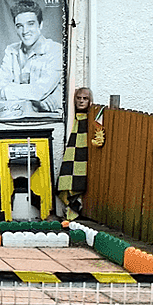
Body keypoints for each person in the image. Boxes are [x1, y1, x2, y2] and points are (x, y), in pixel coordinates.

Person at [0, 0, 63, 121]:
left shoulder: (56, 50)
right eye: (19, 26)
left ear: (40, 24)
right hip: (14, 119)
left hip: (46, 121)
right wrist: (35, 100)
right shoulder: (11, 50)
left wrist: (8, 91)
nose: (25, 31)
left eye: (30, 23)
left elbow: (40, 90)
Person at [57, 87, 104, 221]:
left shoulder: (92, 119)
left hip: (85, 154)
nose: (81, 101)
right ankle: (70, 207)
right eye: (79, 98)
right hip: (74, 151)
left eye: (85, 98)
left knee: (79, 179)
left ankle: (75, 209)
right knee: (68, 178)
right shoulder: (72, 117)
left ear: (90, 101)